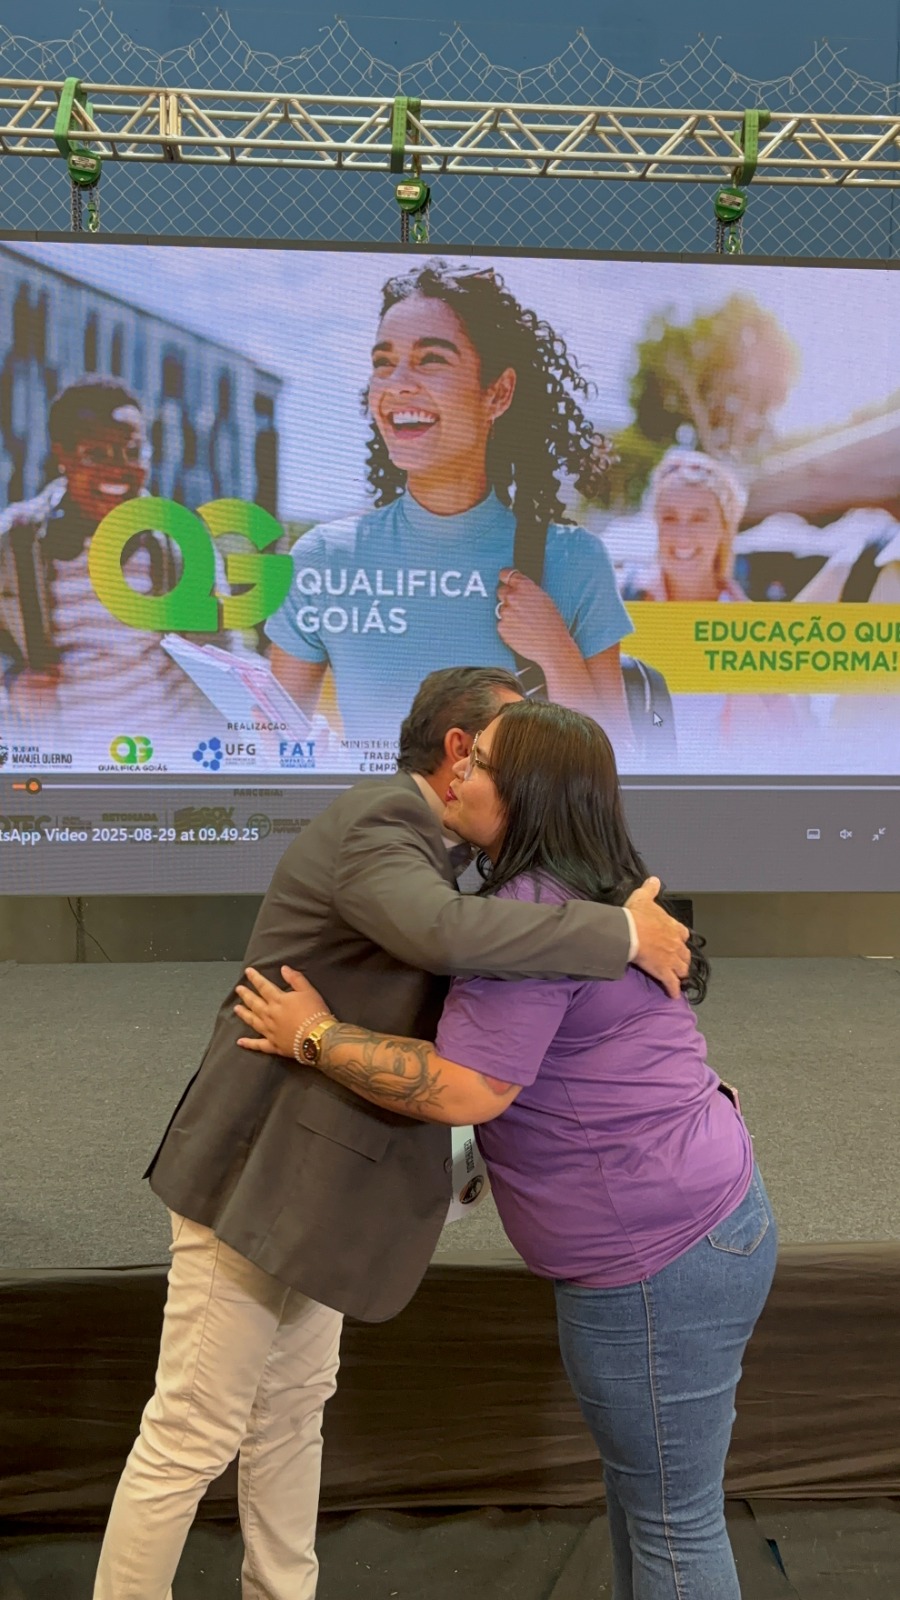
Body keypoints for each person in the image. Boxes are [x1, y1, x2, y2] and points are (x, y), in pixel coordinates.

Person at [92, 666, 690, 1600]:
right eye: (497, 749)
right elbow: (442, 933)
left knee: (293, 1413)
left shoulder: (452, 853)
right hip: (254, 1175)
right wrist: (617, 936)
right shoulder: (382, 820)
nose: (496, 771)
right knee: (192, 1432)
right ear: (458, 752)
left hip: (324, 1183)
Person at [237, 697, 776, 1600]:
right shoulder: (594, 894)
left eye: (481, 763)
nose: (458, 771)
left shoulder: (531, 918)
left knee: (673, 1523)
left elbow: (466, 1089)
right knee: (656, 1505)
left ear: (527, 793)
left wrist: (315, 1036)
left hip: (657, 1256)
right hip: (704, 1223)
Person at [266, 258, 635, 756]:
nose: (397, 383)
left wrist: (556, 652)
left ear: (498, 393)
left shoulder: (574, 562)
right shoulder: (323, 559)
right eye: (383, 363)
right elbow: (273, 747)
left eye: (431, 359)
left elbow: (620, 765)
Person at [0, 376, 228, 745]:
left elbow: (225, 658)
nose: (119, 469)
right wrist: (12, 682)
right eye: (96, 454)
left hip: (172, 758)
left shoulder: (184, 543)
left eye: (133, 452)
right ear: (62, 456)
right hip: (71, 764)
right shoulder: (13, 542)